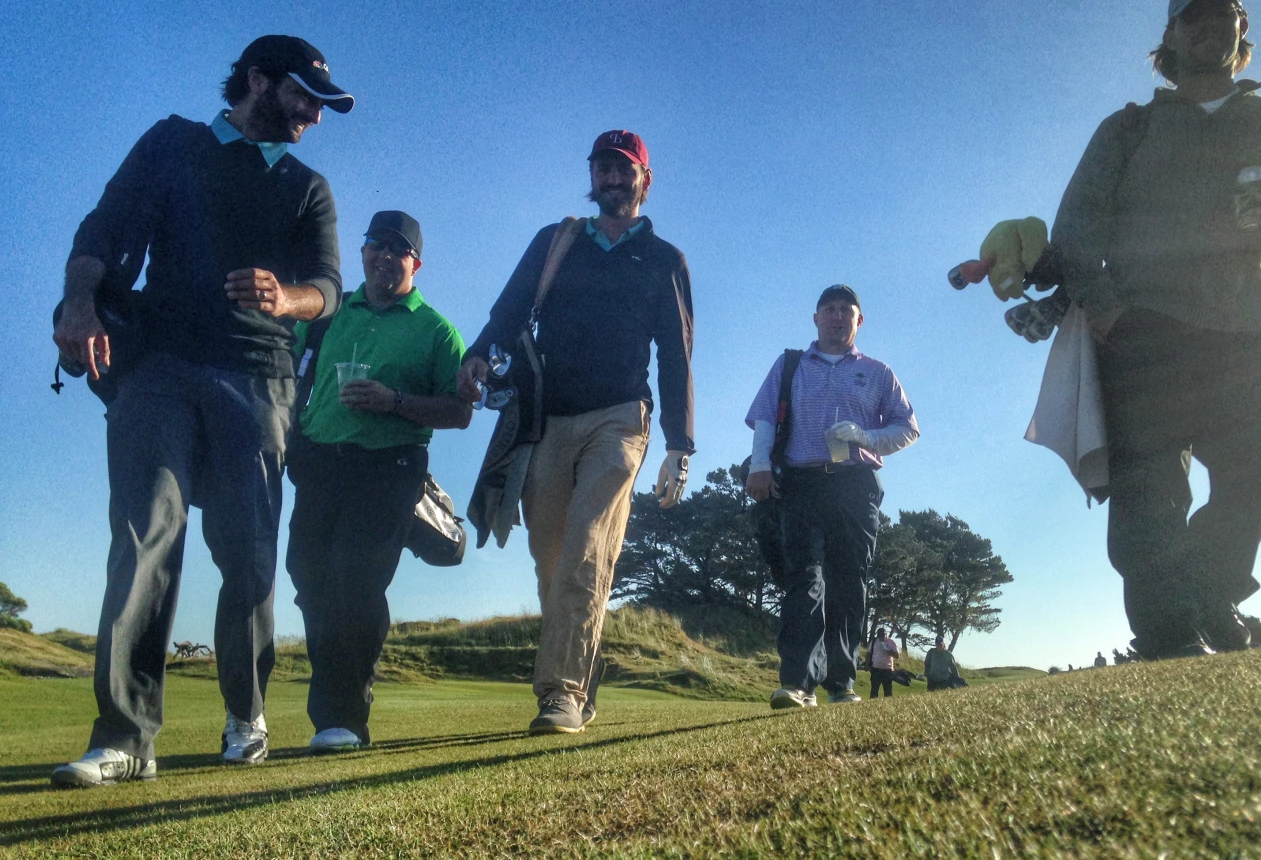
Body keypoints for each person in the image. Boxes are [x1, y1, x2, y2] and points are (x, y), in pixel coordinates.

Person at [50, 35, 353, 788]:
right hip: (159, 368)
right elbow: (103, 230)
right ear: (258, 80)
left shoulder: (308, 187)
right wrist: (79, 303)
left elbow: (328, 288)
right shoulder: (173, 143)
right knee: (145, 533)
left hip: (258, 378)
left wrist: (287, 297)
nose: (314, 116)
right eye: (305, 97)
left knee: (247, 553)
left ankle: (246, 715)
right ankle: (126, 737)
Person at [1051, 0, 1261, 660]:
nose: (1209, 27)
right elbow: (1076, 228)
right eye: (1192, 17)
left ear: (1242, 27)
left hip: (1249, 328)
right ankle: (1168, 634)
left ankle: (1205, 592)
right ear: (1170, 35)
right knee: (1149, 489)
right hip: (1146, 328)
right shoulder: (1129, 128)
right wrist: (1107, 307)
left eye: (1221, 14)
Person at [457, 130, 694, 735]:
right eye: (602, 168)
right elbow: (510, 308)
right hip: (548, 418)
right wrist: (480, 352)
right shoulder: (555, 241)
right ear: (592, 176)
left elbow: (676, 355)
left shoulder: (665, 259)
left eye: (624, 169)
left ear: (644, 180)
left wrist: (679, 445)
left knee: (588, 548)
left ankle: (560, 692)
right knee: (552, 559)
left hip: (621, 419)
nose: (612, 178)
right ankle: (583, 669)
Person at [286, 211, 471, 754]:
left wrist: (394, 402)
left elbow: (460, 412)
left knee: (357, 583)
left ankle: (343, 717)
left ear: (416, 264)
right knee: (309, 577)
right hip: (320, 462)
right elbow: (287, 369)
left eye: (398, 249)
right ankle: (333, 709)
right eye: (375, 245)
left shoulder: (437, 330)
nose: (384, 256)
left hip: (390, 468)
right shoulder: (327, 314)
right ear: (362, 252)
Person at [745, 285, 919, 709]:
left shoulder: (878, 372)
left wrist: (866, 437)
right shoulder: (790, 365)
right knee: (802, 579)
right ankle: (798, 683)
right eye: (829, 309)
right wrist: (759, 465)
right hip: (800, 482)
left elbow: (907, 429)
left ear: (859, 320)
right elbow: (765, 418)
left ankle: (842, 683)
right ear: (816, 318)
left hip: (855, 484)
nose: (837, 316)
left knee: (848, 582)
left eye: (846, 310)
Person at [867, 628, 901, 699]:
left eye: (883, 635)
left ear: (886, 634)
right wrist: (867, 665)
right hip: (876, 669)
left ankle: (888, 704)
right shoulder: (874, 641)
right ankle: (873, 703)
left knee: (888, 690)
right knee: (874, 689)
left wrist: (887, 650)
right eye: (879, 636)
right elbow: (869, 653)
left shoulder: (891, 642)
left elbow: (897, 655)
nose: (881, 637)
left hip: (887, 670)